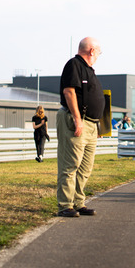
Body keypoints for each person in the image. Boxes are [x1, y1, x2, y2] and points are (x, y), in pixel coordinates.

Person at [56, 37, 105, 218]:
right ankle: (65, 205)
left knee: (85, 167)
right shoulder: (74, 64)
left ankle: (78, 202)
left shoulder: (89, 70)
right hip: (76, 121)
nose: (99, 55)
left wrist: (97, 125)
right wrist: (78, 119)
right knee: (70, 165)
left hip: (91, 125)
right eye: (99, 52)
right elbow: (69, 91)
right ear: (92, 51)